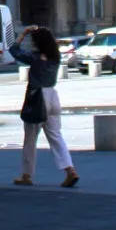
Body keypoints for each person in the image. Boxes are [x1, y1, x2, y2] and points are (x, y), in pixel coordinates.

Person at [12, 26, 79, 188]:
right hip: (53, 95)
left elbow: (14, 50)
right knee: (56, 136)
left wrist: (24, 33)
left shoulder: (35, 57)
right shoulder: (56, 56)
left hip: (38, 98)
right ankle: (70, 170)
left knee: (30, 138)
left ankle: (27, 175)